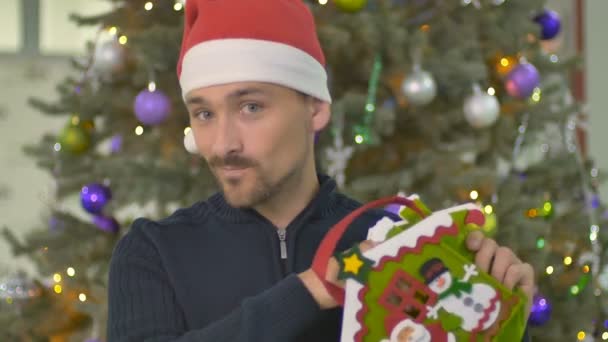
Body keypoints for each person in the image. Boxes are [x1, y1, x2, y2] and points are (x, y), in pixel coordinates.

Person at [107, 1, 534, 341]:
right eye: (203, 113)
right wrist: (313, 289)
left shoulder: (396, 244)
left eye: (251, 107)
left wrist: (502, 318)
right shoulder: (153, 252)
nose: (223, 145)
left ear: (315, 108)